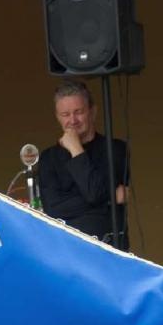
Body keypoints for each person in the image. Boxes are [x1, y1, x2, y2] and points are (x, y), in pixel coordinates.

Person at [34, 80, 130, 248]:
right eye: (65, 114)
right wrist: (109, 198)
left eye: (78, 112)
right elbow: (53, 209)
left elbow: (93, 193)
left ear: (92, 112)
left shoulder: (115, 149)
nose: (73, 120)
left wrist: (76, 149)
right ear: (58, 117)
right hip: (66, 251)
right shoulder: (49, 158)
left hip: (108, 249)